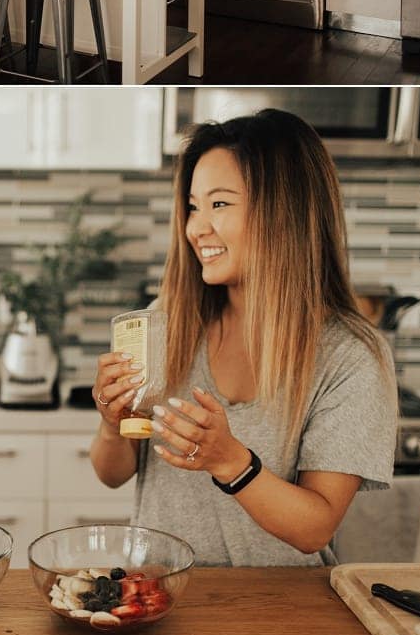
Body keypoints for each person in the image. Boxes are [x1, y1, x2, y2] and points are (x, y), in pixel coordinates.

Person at [91, 106, 397, 564]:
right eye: (193, 207)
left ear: (285, 213)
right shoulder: (165, 323)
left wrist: (231, 460)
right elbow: (111, 473)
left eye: (219, 204)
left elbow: (316, 526)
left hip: (278, 614)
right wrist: (112, 424)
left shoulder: (349, 356)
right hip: (161, 596)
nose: (196, 227)